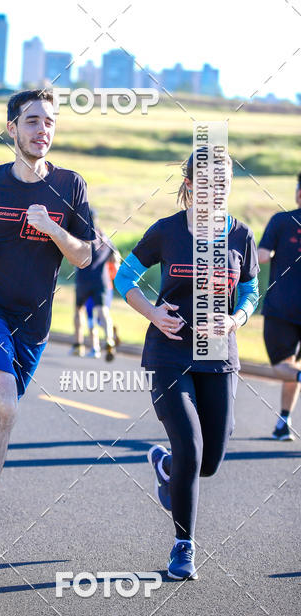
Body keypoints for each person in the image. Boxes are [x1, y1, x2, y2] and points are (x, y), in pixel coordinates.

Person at [0, 88, 95, 557]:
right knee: (6, 406)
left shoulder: (70, 186)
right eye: (31, 121)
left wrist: (53, 228)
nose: (42, 130)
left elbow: (87, 255)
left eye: (48, 122)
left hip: (34, 321)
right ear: (12, 129)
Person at [114, 149, 259, 580]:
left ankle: (165, 468)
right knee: (191, 447)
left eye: (225, 182)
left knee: (209, 461)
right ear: (191, 186)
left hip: (219, 356)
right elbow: (124, 277)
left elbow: (251, 290)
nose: (218, 192)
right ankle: (183, 547)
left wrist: (237, 318)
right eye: (209, 183)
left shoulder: (241, 235)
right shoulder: (167, 232)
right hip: (169, 350)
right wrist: (153, 313)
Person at [257, 172, 301, 441]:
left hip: (282, 308)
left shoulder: (282, 220)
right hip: (285, 308)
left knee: (281, 365)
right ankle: (283, 421)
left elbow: (262, 256)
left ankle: (284, 420)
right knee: (292, 366)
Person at [73, 217, 120, 360]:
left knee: (82, 312)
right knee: (103, 312)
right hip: (102, 281)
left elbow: (73, 255)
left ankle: (81, 346)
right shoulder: (106, 238)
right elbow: (116, 259)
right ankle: (109, 340)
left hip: (83, 280)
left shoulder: (83, 237)